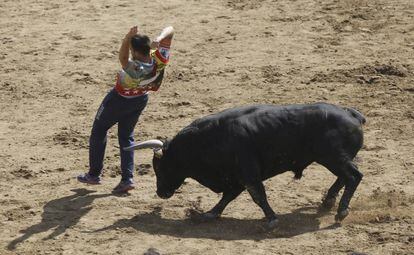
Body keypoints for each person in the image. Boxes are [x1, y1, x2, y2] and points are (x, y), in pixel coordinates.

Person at [77, 25, 174, 193]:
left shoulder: (134, 68)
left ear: (135, 52)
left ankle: (93, 174)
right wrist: (159, 39)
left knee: (99, 130)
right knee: (126, 136)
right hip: (140, 100)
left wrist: (127, 38)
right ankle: (127, 179)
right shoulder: (159, 59)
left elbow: (122, 57)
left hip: (117, 101)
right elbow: (170, 30)